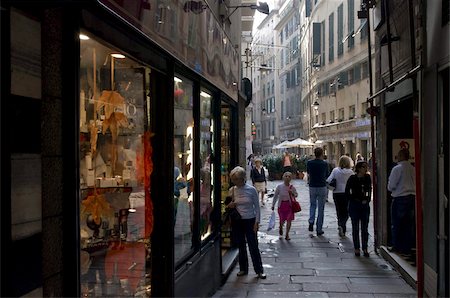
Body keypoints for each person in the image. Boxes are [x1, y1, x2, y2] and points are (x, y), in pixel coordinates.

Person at [226, 166, 266, 279]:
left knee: (253, 246)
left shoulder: (251, 190)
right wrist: (231, 205)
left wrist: (257, 222)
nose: (234, 181)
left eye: (236, 179)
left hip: (250, 220)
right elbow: (227, 206)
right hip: (238, 221)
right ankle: (243, 269)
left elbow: (257, 207)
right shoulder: (232, 190)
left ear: (242, 178)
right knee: (241, 245)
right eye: (233, 179)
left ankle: (259, 270)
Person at [388, 148, 416, 254]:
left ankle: (396, 245)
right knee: (408, 224)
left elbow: (391, 186)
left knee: (397, 223)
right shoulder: (412, 168)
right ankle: (407, 246)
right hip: (412, 197)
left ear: (400, 156)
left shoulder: (397, 168)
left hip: (400, 197)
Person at [345, 160, 372, 257]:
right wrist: (353, 199)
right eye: (364, 167)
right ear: (359, 168)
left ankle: (365, 248)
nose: (366, 169)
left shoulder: (367, 178)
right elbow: (347, 191)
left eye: (366, 167)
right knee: (355, 227)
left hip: (364, 205)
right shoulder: (352, 178)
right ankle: (357, 248)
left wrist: (367, 200)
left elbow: (369, 190)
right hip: (354, 205)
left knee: (365, 228)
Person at [326, 155, 354, 237]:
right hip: (347, 193)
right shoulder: (350, 172)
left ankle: (340, 225)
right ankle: (342, 225)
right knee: (347, 211)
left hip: (336, 193)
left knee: (339, 211)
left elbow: (328, 180)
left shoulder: (335, 170)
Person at [306, 147, 329, 236]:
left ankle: (311, 221)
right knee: (321, 208)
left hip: (312, 186)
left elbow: (308, 172)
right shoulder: (324, 164)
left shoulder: (309, 163)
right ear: (322, 154)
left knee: (312, 205)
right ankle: (319, 228)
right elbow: (327, 174)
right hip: (322, 186)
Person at [271, 172, 298, 240]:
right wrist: (273, 205)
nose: (287, 178)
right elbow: (275, 196)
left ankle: (287, 234)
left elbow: (296, 195)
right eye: (286, 176)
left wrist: (292, 193)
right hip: (281, 205)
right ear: (283, 177)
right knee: (282, 220)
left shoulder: (292, 187)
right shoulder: (279, 187)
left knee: (289, 219)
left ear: (291, 178)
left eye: (289, 176)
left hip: (289, 206)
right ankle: (280, 227)